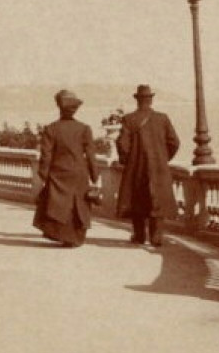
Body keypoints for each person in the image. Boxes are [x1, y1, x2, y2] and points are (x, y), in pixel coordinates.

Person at [115, 84, 181, 248]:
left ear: (137, 100)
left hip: (136, 167)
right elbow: (174, 142)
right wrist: (163, 158)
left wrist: (128, 160)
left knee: (137, 200)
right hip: (158, 168)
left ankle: (139, 235)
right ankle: (156, 237)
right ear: (150, 100)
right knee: (157, 200)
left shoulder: (129, 119)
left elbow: (122, 144)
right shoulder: (162, 118)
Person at [33, 89, 101, 247]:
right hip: (79, 173)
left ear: (59, 108)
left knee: (60, 205)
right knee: (78, 205)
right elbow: (91, 156)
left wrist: (43, 175)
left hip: (58, 173)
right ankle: (76, 238)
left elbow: (46, 156)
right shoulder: (84, 128)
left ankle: (63, 235)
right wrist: (94, 177)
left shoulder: (51, 129)